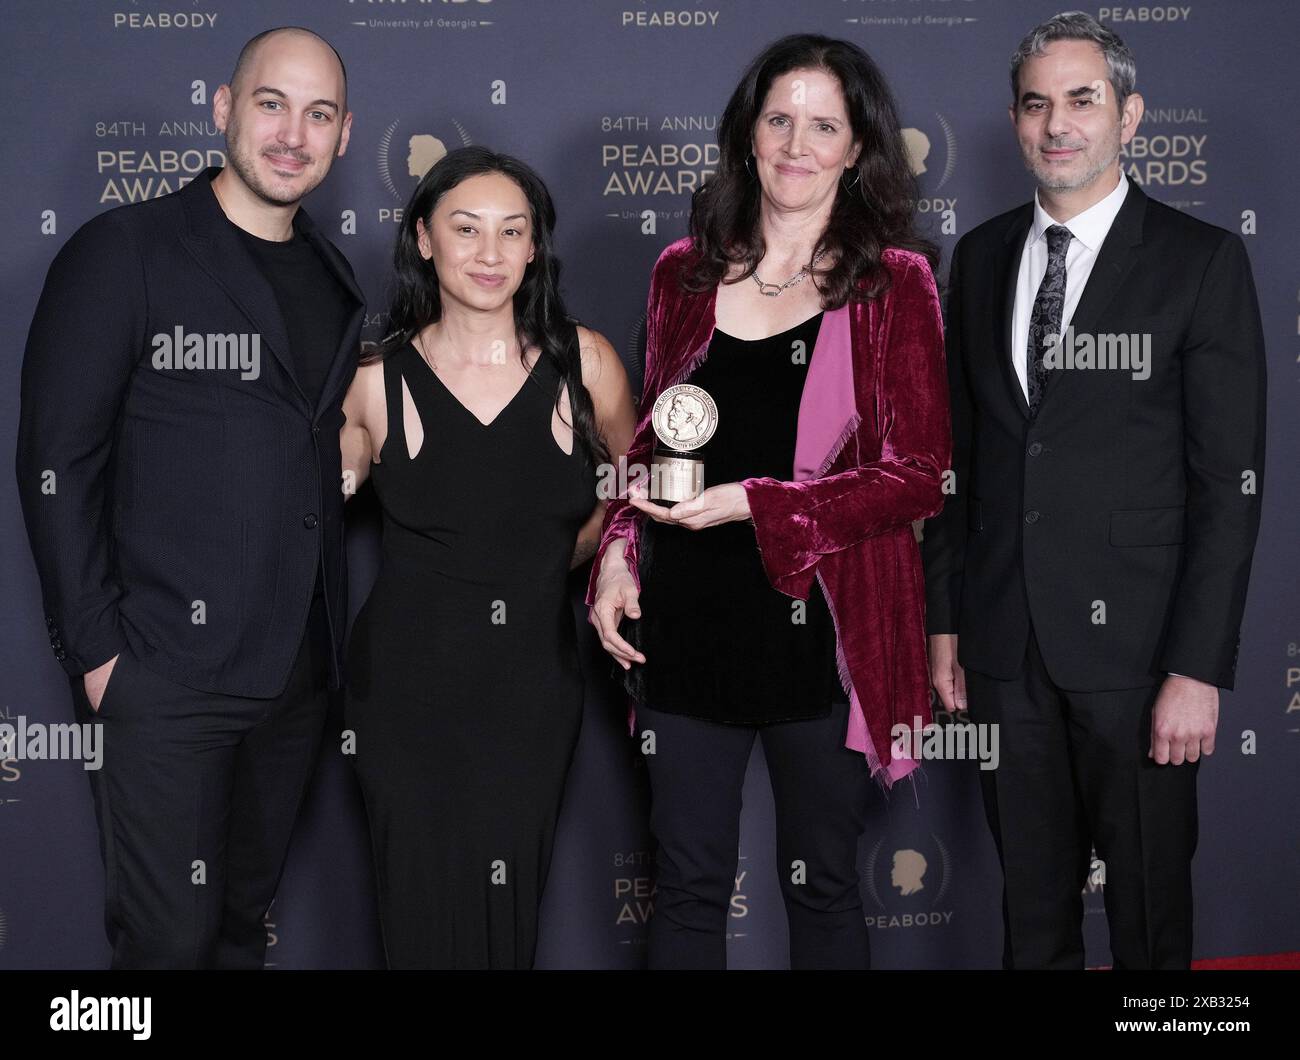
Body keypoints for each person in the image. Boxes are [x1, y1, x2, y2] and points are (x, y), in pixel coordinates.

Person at [587, 33, 950, 970]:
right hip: (690, 622)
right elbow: (650, 445)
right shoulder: (684, 271)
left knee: (822, 882)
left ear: (857, 148)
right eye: (779, 118)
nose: (796, 142)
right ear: (748, 134)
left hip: (824, 633)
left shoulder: (893, 283)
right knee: (689, 884)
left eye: (822, 124)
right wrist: (619, 551)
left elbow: (919, 474)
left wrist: (761, 503)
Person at [923, 12, 1266, 969]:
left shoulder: (1201, 262)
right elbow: (962, 459)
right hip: (1003, 645)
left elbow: (1227, 485)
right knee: (1032, 917)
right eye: (1037, 104)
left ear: (1131, 115)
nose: (1058, 123)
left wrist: (1198, 669)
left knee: (1152, 920)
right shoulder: (982, 256)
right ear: (1015, 121)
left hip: (1145, 658)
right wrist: (945, 622)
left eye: (1083, 99)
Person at [14, 27, 362, 968]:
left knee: (240, 932)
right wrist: (99, 657)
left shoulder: (335, 277)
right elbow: (56, 459)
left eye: (318, 113)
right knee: (165, 945)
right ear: (221, 107)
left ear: (342, 135)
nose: (293, 133)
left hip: (294, 673)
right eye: (271, 103)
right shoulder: (124, 250)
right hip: (165, 675)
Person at [340, 146, 636, 969]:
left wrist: (574, 555)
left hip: (529, 684)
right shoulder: (373, 380)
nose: (491, 253)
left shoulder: (588, 364)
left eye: (513, 232)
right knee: (417, 904)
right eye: (465, 230)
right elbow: (308, 503)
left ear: (536, 247)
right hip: (402, 688)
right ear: (425, 240)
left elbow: (640, 493)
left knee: (507, 904)